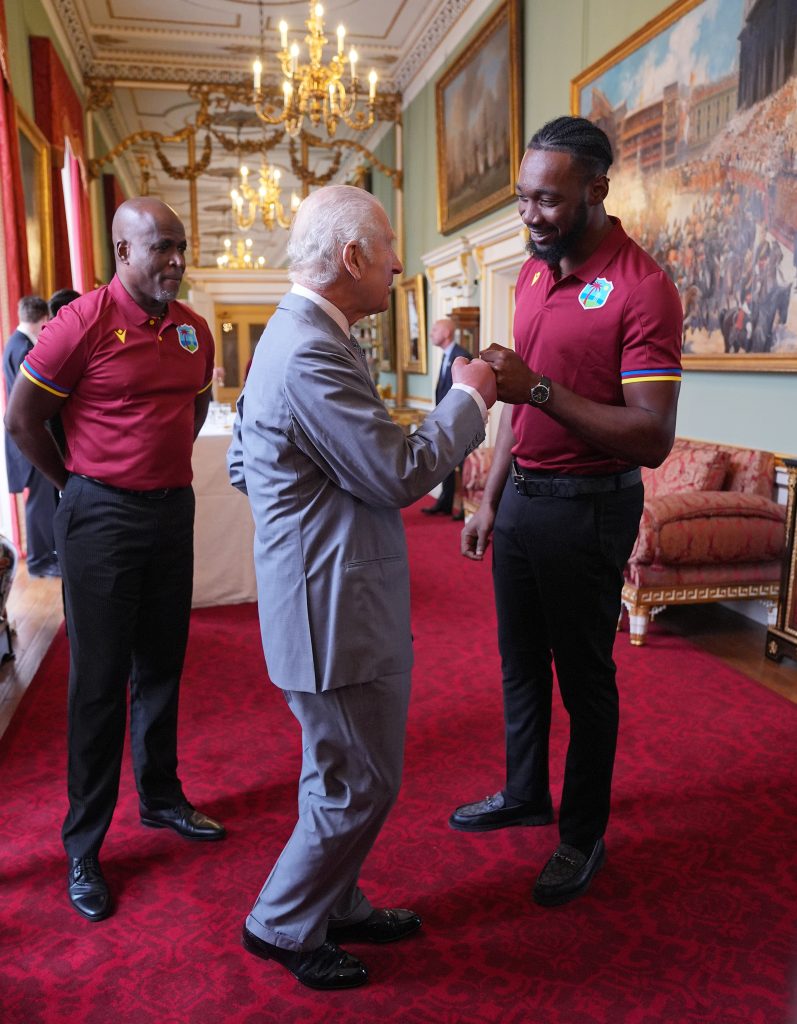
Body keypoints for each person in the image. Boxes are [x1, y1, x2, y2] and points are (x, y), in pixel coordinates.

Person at [228, 184, 496, 990]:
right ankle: (281, 921)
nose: (392, 268)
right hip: (329, 607)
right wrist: (469, 396)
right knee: (362, 782)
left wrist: (307, 502)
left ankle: (334, 904)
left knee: (334, 771)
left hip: (323, 591)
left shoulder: (298, 332)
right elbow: (395, 471)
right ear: (351, 258)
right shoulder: (310, 345)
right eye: (387, 253)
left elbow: (249, 465)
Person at [449, 116, 682, 907]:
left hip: (590, 508)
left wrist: (538, 390)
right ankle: (523, 792)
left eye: (545, 200)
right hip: (522, 504)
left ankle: (581, 835)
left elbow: (651, 437)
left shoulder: (643, 287)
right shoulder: (528, 274)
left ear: (595, 191)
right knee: (518, 662)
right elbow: (515, 403)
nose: (529, 215)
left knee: (584, 678)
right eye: (522, 198)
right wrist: (488, 498)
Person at [4, 197, 227, 924]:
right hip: (100, 516)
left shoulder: (193, 331)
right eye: (159, 247)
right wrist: (78, 483)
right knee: (97, 685)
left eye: (180, 247)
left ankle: (160, 799)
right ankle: (83, 846)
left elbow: (191, 415)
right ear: (121, 252)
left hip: (171, 510)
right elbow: (20, 418)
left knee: (162, 665)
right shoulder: (80, 324)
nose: (174, 260)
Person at [2, 295, 59, 577]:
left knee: (41, 498)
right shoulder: (24, 347)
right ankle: (40, 561)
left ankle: (44, 557)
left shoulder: (14, 342)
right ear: (43, 319)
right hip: (29, 434)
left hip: (24, 433)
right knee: (40, 500)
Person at [421, 318, 471, 519]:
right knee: (448, 463)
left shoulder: (461, 356)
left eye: (435, 329)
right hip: (446, 420)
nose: (431, 332)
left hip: (459, 421)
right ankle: (445, 502)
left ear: (447, 333)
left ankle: (466, 508)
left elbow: (463, 393)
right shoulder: (446, 355)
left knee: (463, 464)